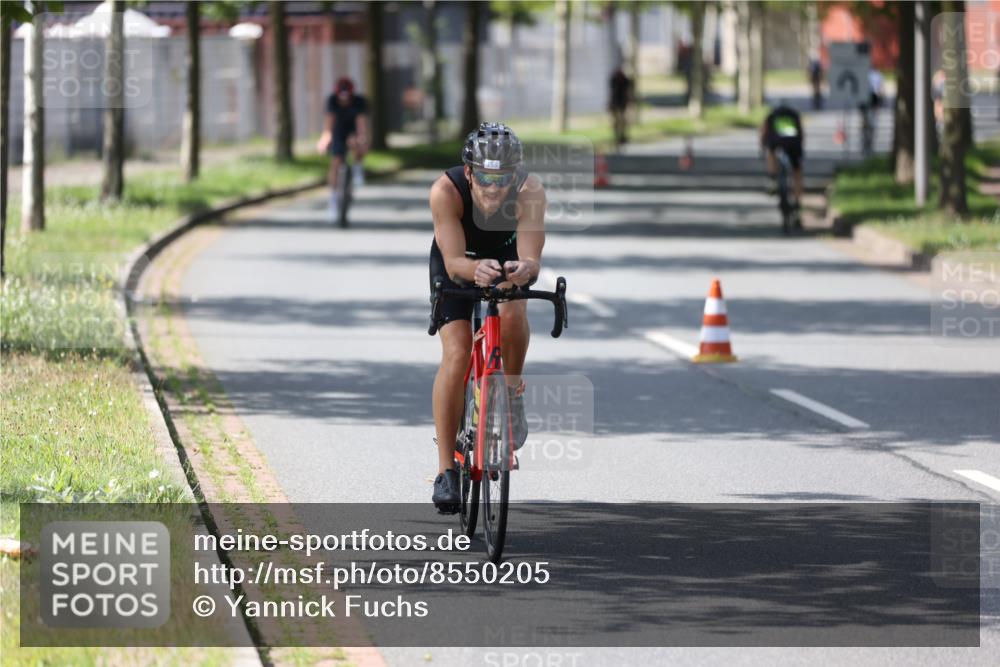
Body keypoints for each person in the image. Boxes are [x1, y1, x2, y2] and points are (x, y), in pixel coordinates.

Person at [427, 122, 546, 512]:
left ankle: (510, 394)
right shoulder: (446, 191)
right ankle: (446, 470)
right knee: (457, 352)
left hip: (506, 259)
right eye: (485, 178)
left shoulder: (529, 191)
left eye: (502, 178)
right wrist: (473, 268)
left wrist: (525, 269)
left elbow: (531, 259)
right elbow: (453, 261)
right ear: (469, 172)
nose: (494, 189)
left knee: (512, 314)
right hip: (458, 263)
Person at [316, 77, 369, 222]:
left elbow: (361, 125)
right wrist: (324, 141)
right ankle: (333, 199)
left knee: (357, 142)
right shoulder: (332, 101)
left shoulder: (359, 102)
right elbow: (328, 127)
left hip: (353, 130)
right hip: (338, 130)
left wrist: (362, 140)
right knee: (336, 161)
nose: (344, 100)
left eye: (347, 98)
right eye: (341, 97)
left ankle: (357, 168)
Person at [760, 101, 804, 206]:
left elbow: (764, 132)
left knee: (770, 153)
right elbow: (801, 133)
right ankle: (797, 200)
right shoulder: (794, 115)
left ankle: (772, 180)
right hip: (793, 143)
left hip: (776, 142)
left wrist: (762, 147)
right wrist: (800, 147)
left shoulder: (771, 115)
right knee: (797, 171)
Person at [609, 66, 634, 149]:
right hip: (616, 103)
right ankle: (618, 137)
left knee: (623, 121)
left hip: (622, 103)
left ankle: (622, 136)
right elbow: (612, 92)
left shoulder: (626, 81)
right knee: (617, 121)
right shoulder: (614, 80)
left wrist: (629, 102)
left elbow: (628, 92)